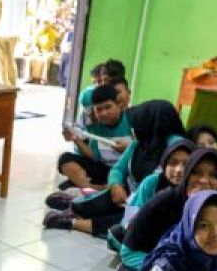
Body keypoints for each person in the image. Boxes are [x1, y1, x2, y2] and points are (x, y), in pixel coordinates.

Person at [45, 100, 185, 237]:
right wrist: (115, 185)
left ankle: (72, 223)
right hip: (128, 196)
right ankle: (75, 207)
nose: (134, 128)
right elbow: (118, 168)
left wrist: (135, 203)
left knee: (123, 223)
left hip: (153, 207)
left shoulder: (177, 147)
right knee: (102, 203)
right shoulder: (142, 143)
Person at [111, 137, 195, 271]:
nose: (178, 170)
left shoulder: (196, 194)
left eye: (186, 164)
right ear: (164, 165)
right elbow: (131, 217)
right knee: (116, 232)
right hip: (143, 244)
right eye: (173, 163)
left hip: (169, 250)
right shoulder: (153, 183)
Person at [57, 83, 133, 190]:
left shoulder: (132, 120)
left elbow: (145, 154)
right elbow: (94, 156)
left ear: (118, 104)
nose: (104, 113)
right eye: (99, 109)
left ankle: (87, 187)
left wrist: (128, 150)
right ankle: (95, 188)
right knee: (64, 159)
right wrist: (75, 139)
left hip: (125, 172)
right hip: (104, 170)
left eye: (108, 107)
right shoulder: (95, 125)